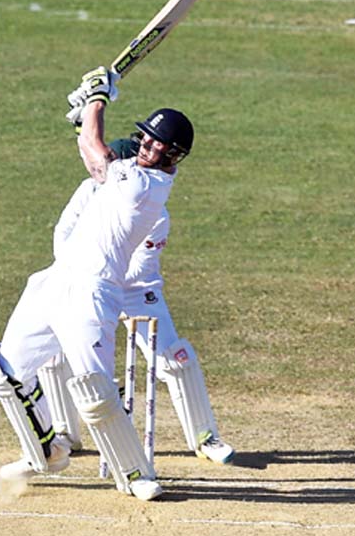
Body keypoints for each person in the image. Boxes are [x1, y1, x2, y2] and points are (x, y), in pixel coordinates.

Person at [0, 66, 194, 501]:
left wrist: (97, 98)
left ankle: (135, 474)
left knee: (94, 390)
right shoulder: (127, 172)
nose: (148, 146)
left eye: (159, 145)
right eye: (146, 138)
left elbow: (96, 151)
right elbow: (96, 150)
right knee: (5, 370)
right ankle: (46, 452)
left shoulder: (146, 187)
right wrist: (84, 114)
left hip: (93, 293)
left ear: (173, 157)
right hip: (55, 282)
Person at [38, 137, 234, 466]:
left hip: (136, 290)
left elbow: (137, 267)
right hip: (84, 280)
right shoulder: (88, 190)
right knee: (54, 354)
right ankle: (65, 433)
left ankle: (205, 437)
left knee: (175, 360)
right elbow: (63, 233)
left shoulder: (153, 208)